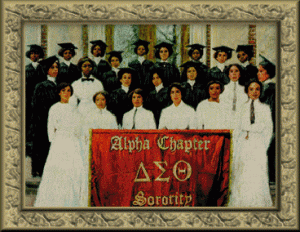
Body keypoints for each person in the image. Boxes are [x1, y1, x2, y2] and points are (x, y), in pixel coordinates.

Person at [34, 82, 85, 207]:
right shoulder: (54, 108)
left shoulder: (74, 108)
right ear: (59, 93)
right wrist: (54, 140)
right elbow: (50, 125)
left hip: (72, 141)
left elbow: (79, 125)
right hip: (60, 141)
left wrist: (77, 138)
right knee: (58, 169)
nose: (66, 93)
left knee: (73, 169)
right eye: (63, 90)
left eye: (68, 91)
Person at [228, 79, 273, 207]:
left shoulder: (265, 108)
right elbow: (236, 127)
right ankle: (242, 201)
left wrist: (262, 145)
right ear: (247, 91)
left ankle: (257, 202)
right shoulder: (241, 108)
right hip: (243, 141)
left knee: (257, 172)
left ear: (260, 91)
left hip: (258, 142)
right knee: (243, 171)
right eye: (251, 89)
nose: (254, 92)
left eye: (257, 89)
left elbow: (268, 129)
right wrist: (236, 145)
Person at [28, 56, 60, 177]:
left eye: (57, 67)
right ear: (47, 70)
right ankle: (40, 170)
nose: (55, 70)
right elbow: (37, 107)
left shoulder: (59, 85)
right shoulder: (41, 86)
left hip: (57, 122)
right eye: (52, 67)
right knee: (42, 146)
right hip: (43, 122)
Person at [257, 54, 276, 184]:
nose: (258, 74)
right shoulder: (264, 87)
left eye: (261, 71)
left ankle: (270, 179)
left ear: (268, 74)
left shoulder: (269, 89)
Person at [25, 44, 46, 159]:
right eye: (32, 53)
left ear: (39, 55)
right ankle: (28, 148)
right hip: (28, 100)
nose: (34, 56)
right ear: (29, 55)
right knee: (28, 122)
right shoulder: (26, 69)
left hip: (39, 100)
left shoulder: (43, 68)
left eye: (36, 53)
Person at [219, 64, 249, 128]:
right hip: (226, 121)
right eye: (231, 71)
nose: (234, 74)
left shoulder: (244, 89)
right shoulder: (223, 88)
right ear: (228, 74)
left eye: (236, 71)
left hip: (241, 121)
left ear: (240, 74)